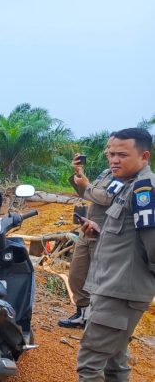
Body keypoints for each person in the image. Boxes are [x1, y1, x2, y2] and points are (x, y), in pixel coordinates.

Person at [77, 128, 155, 381]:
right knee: (115, 362)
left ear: (144, 156)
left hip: (120, 294)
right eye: (111, 154)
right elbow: (129, 238)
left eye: (122, 154)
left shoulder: (145, 190)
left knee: (90, 365)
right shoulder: (126, 185)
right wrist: (98, 233)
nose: (114, 160)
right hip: (111, 288)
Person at [59, 137, 120, 329]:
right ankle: (82, 313)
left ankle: (97, 319)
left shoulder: (124, 177)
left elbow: (107, 198)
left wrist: (87, 185)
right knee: (76, 274)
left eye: (114, 151)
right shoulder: (105, 174)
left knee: (98, 279)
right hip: (87, 230)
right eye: (108, 151)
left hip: (104, 234)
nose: (110, 155)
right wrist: (79, 175)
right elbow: (87, 194)